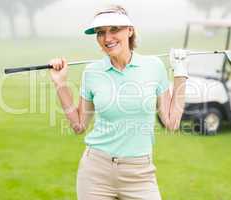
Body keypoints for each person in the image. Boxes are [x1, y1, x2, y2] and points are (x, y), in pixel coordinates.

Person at [49, 5, 188, 200]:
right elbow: (79, 125)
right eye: (101, 33)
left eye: (114, 29)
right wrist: (61, 83)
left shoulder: (154, 66)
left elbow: (171, 123)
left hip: (140, 173)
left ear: (130, 30)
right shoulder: (92, 72)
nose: (107, 38)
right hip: (96, 172)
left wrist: (180, 72)